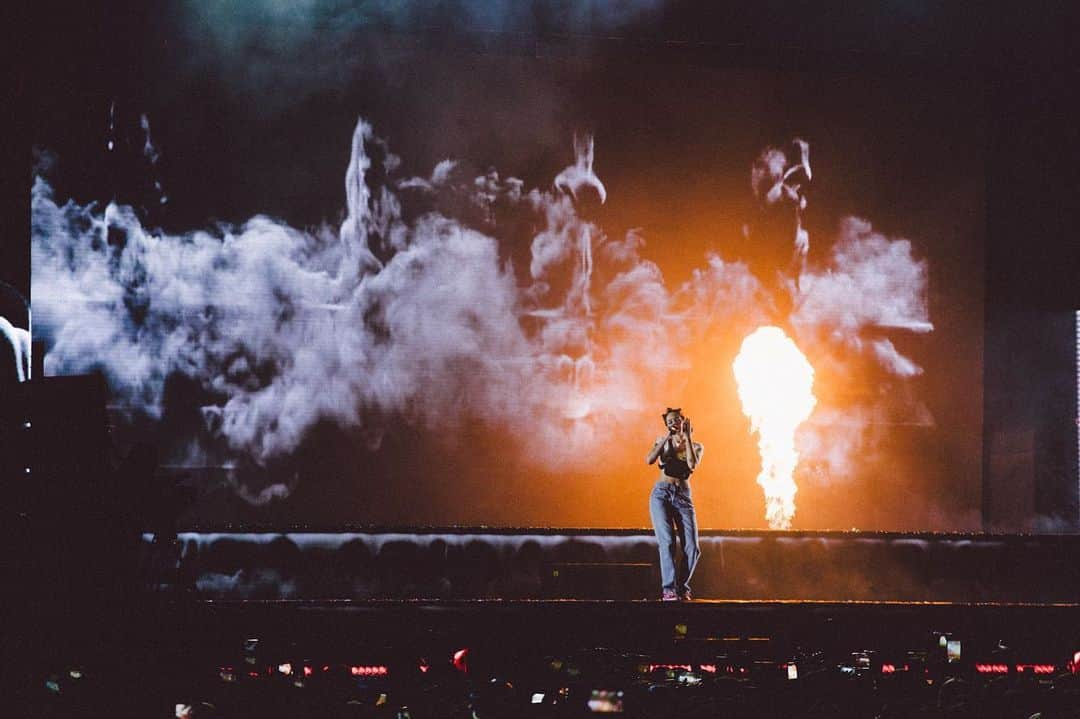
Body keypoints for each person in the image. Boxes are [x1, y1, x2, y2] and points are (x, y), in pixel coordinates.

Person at [646, 407, 703, 601]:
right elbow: (649, 460)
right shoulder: (663, 442)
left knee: (692, 547)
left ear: (684, 421)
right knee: (667, 542)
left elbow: (691, 465)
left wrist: (686, 437)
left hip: (683, 496)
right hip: (661, 493)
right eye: (670, 421)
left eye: (677, 419)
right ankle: (669, 589)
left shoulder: (696, 446)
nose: (673, 422)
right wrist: (664, 439)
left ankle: (682, 587)